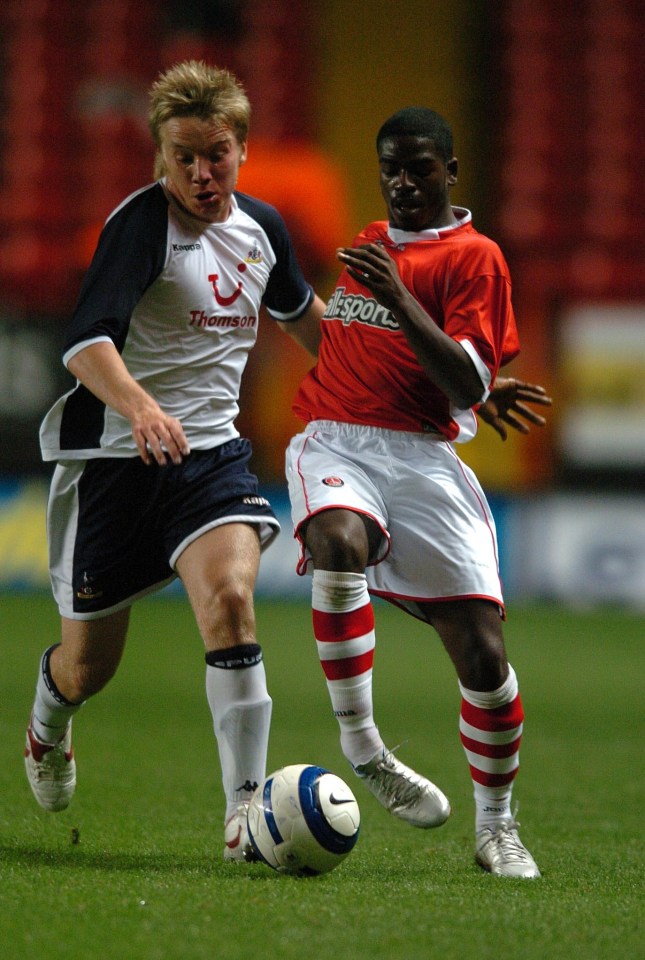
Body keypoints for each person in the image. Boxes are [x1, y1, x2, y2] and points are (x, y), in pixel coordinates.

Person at [23, 59, 326, 862]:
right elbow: (84, 344)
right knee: (88, 668)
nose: (200, 172)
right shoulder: (140, 226)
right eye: (182, 155)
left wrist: (409, 377)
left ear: (242, 149)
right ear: (159, 155)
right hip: (117, 462)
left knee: (230, 599)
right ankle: (47, 725)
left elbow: (308, 325)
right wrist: (141, 406)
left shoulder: (262, 229)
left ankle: (244, 815)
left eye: (215, 153)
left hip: (210, 458)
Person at [284, 106, 551, 878]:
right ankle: (364, 748)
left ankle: (495, 827)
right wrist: (463, 381)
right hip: (335, 438)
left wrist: (471, 385)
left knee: (483, 656)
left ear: (450, 170)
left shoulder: (475, 258)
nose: (402, 182)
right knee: (336, 541)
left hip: (425, 461)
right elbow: (359, 340)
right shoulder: (365, 243)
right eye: (390, 167)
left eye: (418, 167)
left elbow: (463, 375)